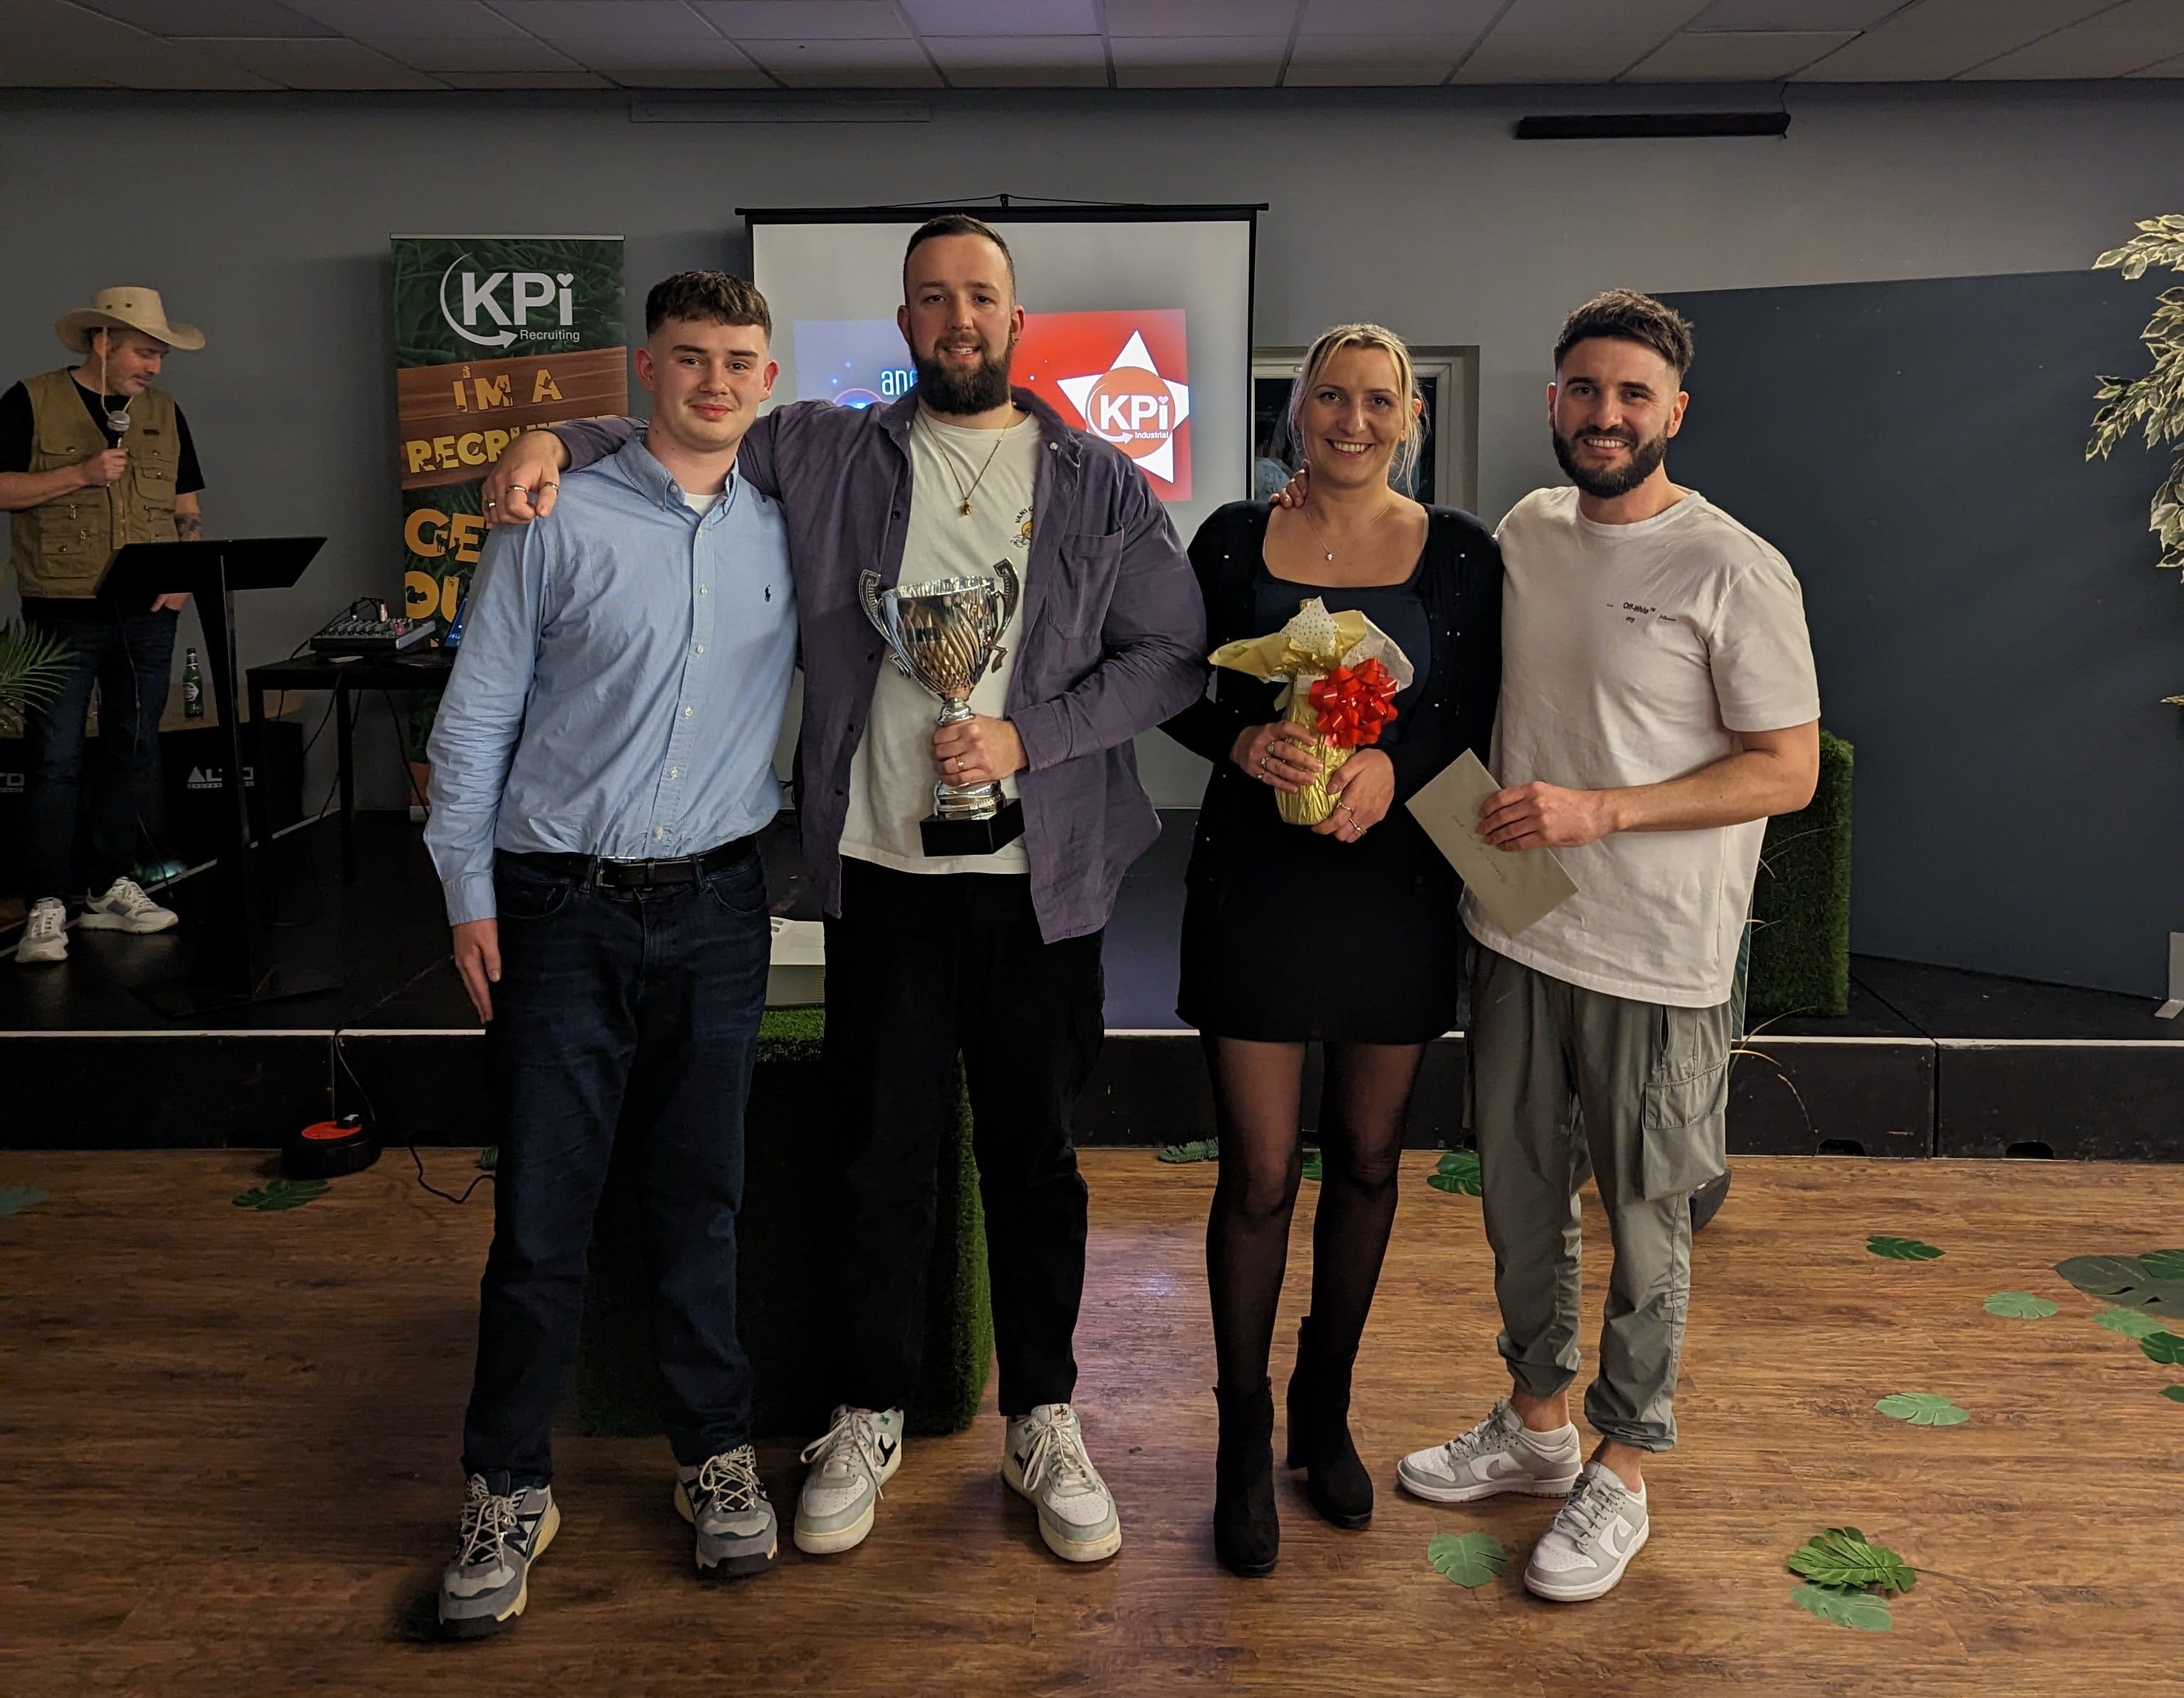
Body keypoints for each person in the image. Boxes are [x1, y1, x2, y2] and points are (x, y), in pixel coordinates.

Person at [481, 215, 1206, 1571]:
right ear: (905, 323)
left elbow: (1170, 655)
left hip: (1040, 885)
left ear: (1016, 317)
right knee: (879, 1153)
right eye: (930, 298)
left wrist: (1029, 736)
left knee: (1035, 1164)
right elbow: (681, 432)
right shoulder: (821, 447)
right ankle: (867, 1409)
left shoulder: (1101, 483)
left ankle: (1045, 1415)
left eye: (977, 295)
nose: (956, 318)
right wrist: (556, 441)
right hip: (878, 874)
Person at [1398, 289, 1819, 1605]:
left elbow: (1787, 771)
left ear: (1673, 414)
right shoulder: (1527, 530)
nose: (1605, 414)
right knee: (1521, 1199)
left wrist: (1605, 811)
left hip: (1657, 953)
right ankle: (1534, 1427)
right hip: (1516, 927)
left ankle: (1621, 1471)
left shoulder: (1731, 566)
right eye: (1585, 391)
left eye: (1633, 395)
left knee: (1647, 1223)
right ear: (1552, 402)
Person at [424, 273, 796, 1635]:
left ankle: (711, 1458)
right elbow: (473, 720)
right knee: (539, 1224)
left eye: (738, 361)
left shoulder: (789, 522)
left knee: (700, 1203)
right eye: (689, 358)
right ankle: (508, 1487)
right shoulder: (552, 513)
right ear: (643, 370)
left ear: (768, 378)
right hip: (553, 909)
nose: (714, 381)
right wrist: (466, 892)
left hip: (716, 913)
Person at [1164, 326, 1500, 1576]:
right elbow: (1172, 681)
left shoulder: (1461, 551)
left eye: (1376, 402)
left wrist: (1389, 764)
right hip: (1256, 884)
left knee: (1365, 1160)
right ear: (1294, 411)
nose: (1350, 421)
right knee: (1256, 1175)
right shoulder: (1228, 540)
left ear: (1406, 417)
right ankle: (1239, 1436)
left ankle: (1326, 1406)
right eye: (1328, 399)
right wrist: (1240, 744)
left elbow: (1470, 709)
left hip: (1395, 881)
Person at [1, 287, 205, 967]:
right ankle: (46, 903)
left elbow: (185, 500)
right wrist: (79, 475)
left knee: (133, 748)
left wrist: (183, 573)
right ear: (103, 343)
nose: (154, 367)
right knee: (54, 759)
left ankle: (106, 888)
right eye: (145, 352)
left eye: (159, 355)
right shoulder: (31, 399)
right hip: (61, 609)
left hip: (146, 612)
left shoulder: (165, 412)